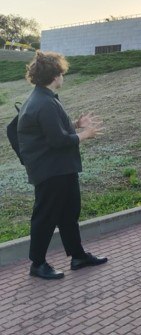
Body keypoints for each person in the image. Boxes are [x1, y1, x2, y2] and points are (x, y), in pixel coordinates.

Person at [17, 51, 107, 280]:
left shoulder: (43, 98)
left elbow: (52, 129)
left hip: (60, 169)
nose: (63, 77)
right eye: (62, 73)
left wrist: (76, 124)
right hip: (51, 171)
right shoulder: (43, 102)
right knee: (45, 217)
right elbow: (57, 140)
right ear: (55, 75)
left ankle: (78, 256)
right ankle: (37, 264)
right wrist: (85, 134)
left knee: (69, 213)